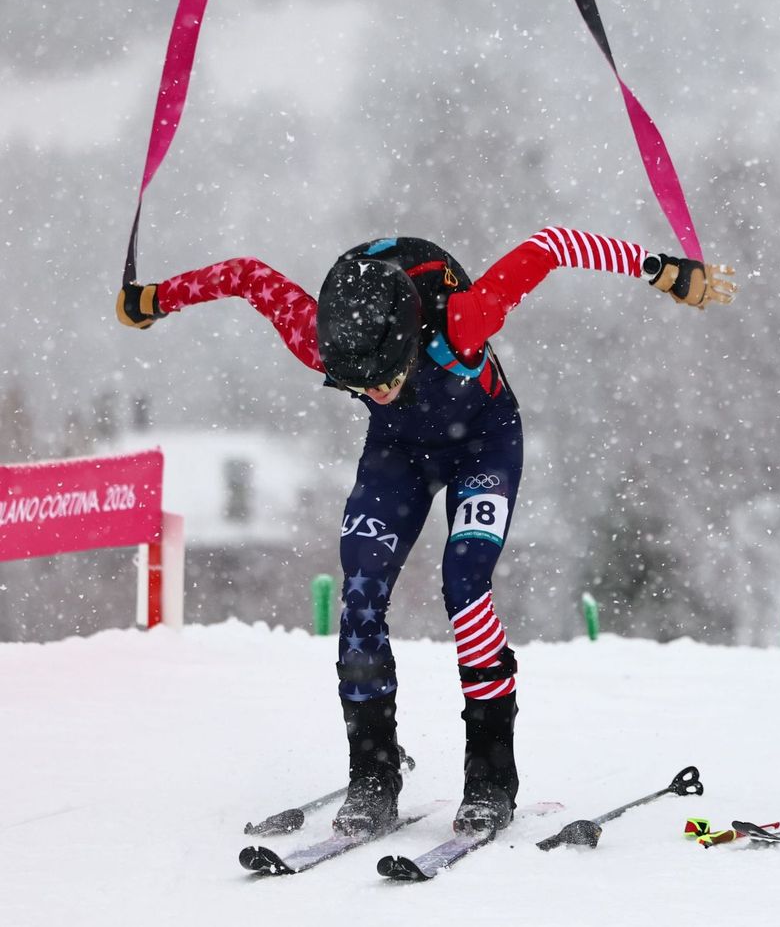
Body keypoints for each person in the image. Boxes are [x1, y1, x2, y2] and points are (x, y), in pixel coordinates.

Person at [116, 229, 734, 835]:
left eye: (385, 379)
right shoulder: (320, 340)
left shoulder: (464, 319)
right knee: (360, 591)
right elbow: (248, 276)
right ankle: (373, 777)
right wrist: (152, 301)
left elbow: (550, 247)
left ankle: (490, 780)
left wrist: (665, 271)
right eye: (360, 387)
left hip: (484, 445)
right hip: (399, 456)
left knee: (464, 585)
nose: (376, 394)